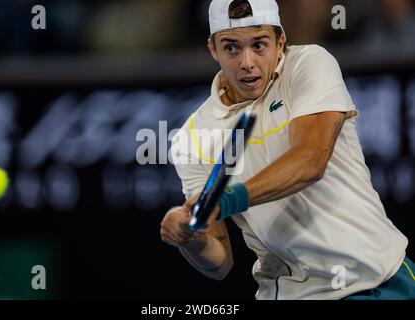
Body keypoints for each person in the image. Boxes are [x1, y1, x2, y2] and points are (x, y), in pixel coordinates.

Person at [160, 0, 415, 300]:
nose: (247, 62)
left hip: (382, 279)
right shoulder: (192, 138)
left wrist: (223, 201)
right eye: (231, 48)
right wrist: (190, 237)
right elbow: (219, 263)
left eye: (259, 45)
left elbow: (310, 160)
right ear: (213, 49)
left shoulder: (310, 63)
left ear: (280, 41)